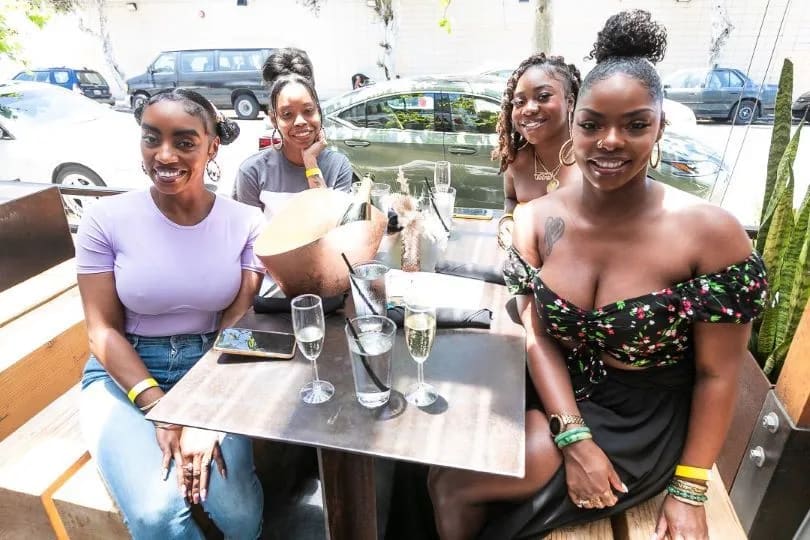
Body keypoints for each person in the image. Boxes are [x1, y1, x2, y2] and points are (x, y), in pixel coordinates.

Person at [427, 10, 768, 540]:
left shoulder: (710, 234)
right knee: (434, 460)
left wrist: (689, 489)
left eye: (636, 124)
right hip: (555, 388)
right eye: (592, 125)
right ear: (574, 125)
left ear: (659, 127)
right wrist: (572, 434)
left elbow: (716, 374)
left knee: (456, 485)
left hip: (639, 420)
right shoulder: (537, 220)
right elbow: (537, 333)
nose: (610, 141)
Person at [77, 88, 265, 539]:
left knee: (238, 514)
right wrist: (161, 410)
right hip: (126, 374)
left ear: (211, 147)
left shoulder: (246, 222)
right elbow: (101, 331)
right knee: (158, 514)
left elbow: (237, 323)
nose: (164, 155)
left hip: (214, 362)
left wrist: (203, 410)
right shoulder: (104, 218)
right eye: (151, 138)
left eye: (184, 142)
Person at [235, 48, 353, 220]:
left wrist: (311, 163)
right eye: (287, 114)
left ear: (319, 112)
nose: (300, 121)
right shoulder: (252, 172)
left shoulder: (338, 166)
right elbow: (249, 233)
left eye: (308, 110)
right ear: (274, 119)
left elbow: (332, 225)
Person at [492, 53, 582, 249]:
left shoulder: (590, 161)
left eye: (543, 97)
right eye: (519, 102)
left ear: (570, 102)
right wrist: (507, 219)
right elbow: (511, 199)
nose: (529, 109)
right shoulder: (515, 160)